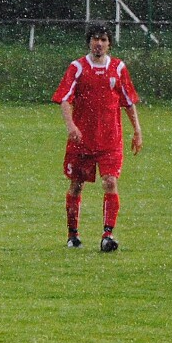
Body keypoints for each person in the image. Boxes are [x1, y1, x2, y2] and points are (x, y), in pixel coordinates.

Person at [51, 24, 143, 252]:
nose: (99, 44)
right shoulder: (78, 68)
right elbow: (65, 99)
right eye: (95, 39)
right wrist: (71, 125)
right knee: (76, 185)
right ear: (89, 42)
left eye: (103, 39)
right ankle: (73, 235)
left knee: (110, 182)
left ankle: (107, 235)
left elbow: (128, 102)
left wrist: (137, 130)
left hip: (110, 140)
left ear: (109, 43)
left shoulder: (118, 68)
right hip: (82, 140)